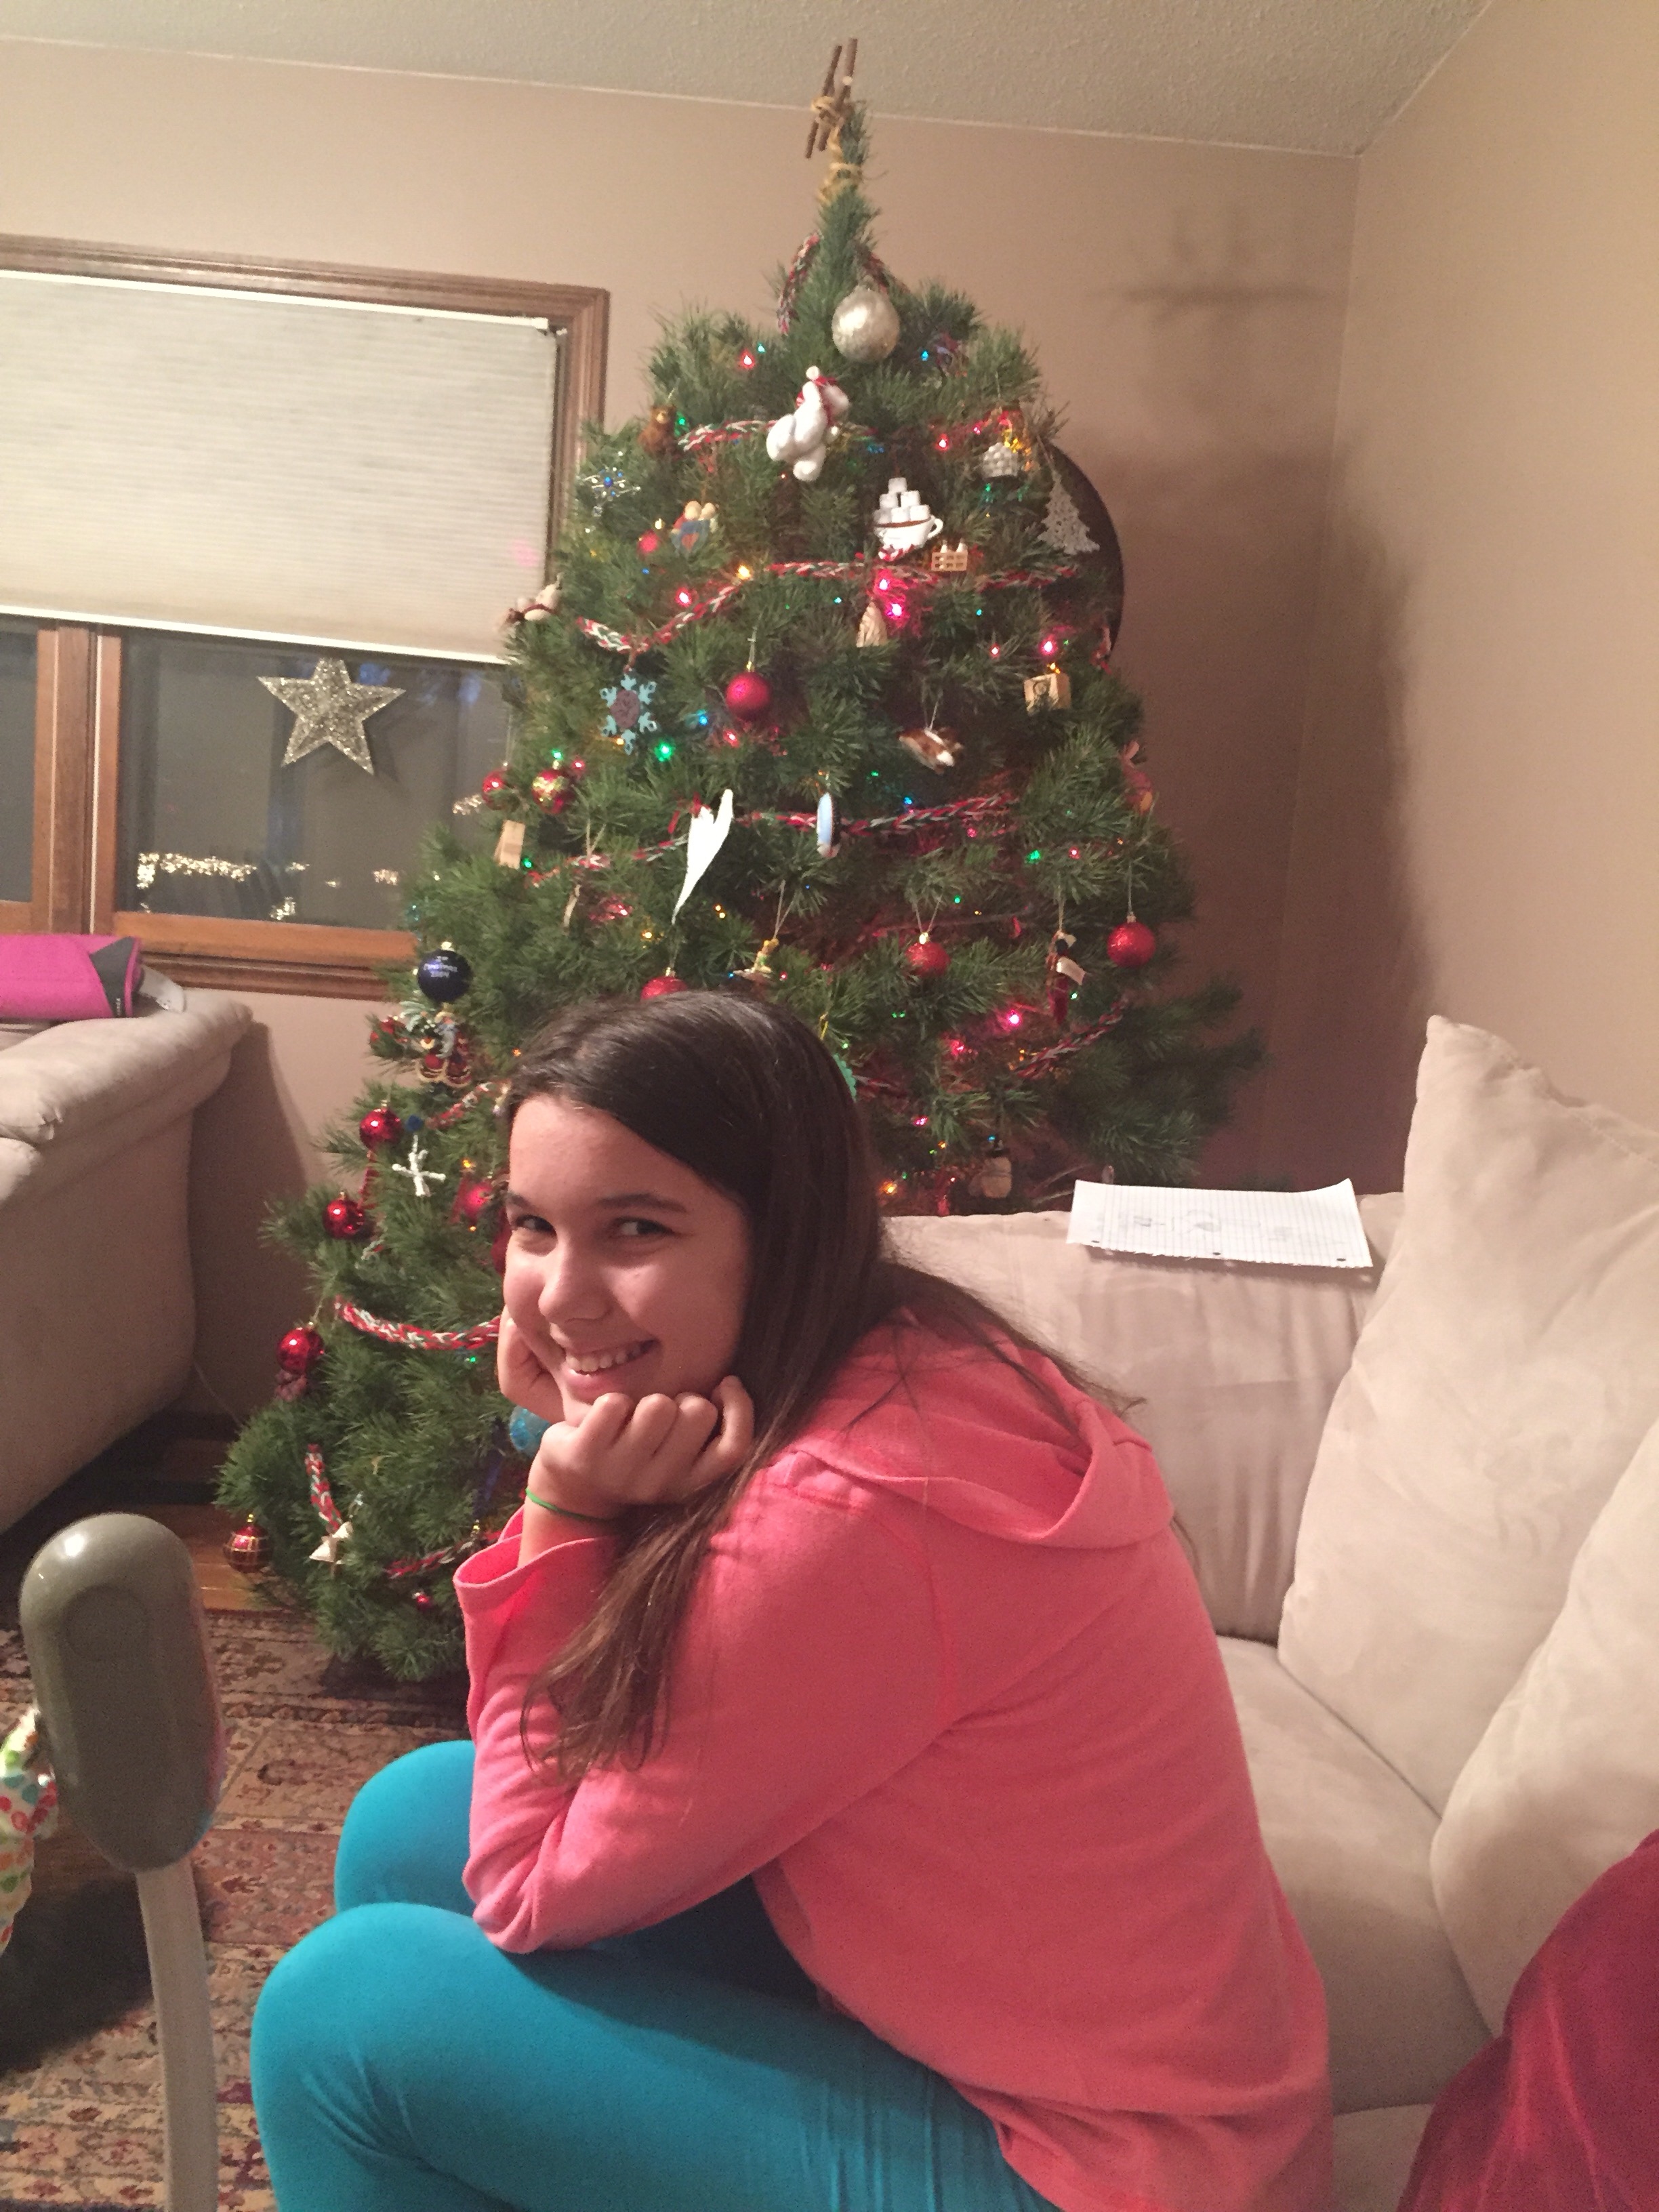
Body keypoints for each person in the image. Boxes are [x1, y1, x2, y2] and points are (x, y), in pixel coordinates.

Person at [250, 992, 1332, 2212]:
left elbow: (525, 1885)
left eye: (636, 1229)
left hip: (1102, 2173)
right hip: (1066, 2065)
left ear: (781, 1235)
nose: (559, 1295)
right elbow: (664, 1673)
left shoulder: (844, 1518)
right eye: (533, 1226)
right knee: (410, 1821)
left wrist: (564, 1502)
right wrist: (576, 1429)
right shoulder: (903, 1354)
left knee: (342, 2020)